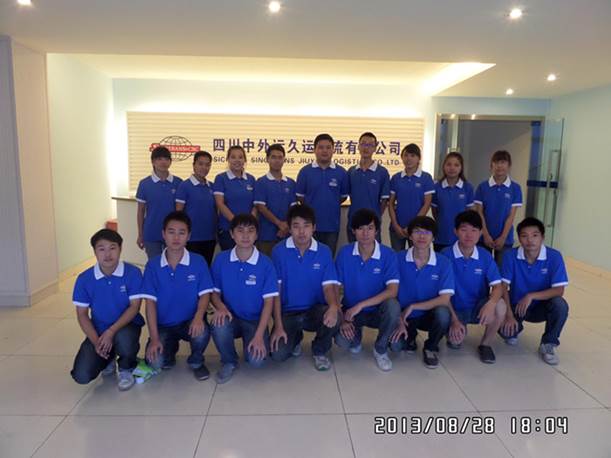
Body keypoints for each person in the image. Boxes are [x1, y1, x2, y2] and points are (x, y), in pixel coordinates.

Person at [142, 211, 214, 381]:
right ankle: (169, 348)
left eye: (182, 233)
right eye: (171, 232)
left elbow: (205, 295)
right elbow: (150, 304)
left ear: (188, 236)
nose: (176, 237)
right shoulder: (153, 265)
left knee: (202, 332)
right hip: (163, 325)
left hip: (189, 321)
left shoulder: (198, 261)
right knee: (156, 363)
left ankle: (196, 361)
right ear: (163, 234)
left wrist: (198, 317)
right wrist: (154, 339)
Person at [71, 229, 144, 391]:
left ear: (120, 249)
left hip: (127, 326)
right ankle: (107, 358)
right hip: (99, 330)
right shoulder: (84, 279)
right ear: (95, 252)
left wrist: (111, 331)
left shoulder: (132, 273)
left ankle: (126, 367)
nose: (107, 254)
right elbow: (82, 315)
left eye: (112, 248)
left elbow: (135, 307)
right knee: (81, 376)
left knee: (125, 339)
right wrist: (96, 341)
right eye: (101, 249)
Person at [270, 204, 341, 371]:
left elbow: (329, 286)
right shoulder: (278, 251)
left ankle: (320, 350)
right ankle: (295, 338)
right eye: (296, 226)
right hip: (288, 313)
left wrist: (333, 306)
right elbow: (276, 292)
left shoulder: (324, 251)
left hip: (314, 311)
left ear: (314, 228)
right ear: (289, 228)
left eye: (306, 226)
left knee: (336, 314)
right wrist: (278, 325)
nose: (301, 232)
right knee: (278, 355)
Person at [209, 214, 279, 384]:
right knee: (218, 324)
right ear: (232, 234)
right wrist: (221, 308)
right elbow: (214, 293)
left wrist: (259, 335)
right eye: (240, 231)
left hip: (255, 320)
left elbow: (269, 303)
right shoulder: (221, 259)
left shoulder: (266, 263)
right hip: (230, 316)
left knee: (256, 362)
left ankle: (254, 341)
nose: (245, 235)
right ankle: (229, 361)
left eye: (250, 231)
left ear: (257, 235)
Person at [334, 209, 401, 371]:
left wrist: (361, 305)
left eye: (370, 228)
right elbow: (334, 288)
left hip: (378, 311)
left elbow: (392, 291)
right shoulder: (344, 253)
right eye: (360, 228)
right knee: (343, 342)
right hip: (351, 312)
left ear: (376, 231)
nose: (365, 233)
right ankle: (356, 336)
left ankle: (380, 349)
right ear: (353, 231)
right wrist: (342, 319)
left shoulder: (388, 254)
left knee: (393, 309)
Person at [499, 217, 569, 365]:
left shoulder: (554, 256)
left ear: (542, 237)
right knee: (506, 333)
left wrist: (531, 296)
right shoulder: (510, 255)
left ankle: (548, 344)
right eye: (524, 236)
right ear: (519, 238)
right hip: (517, 305)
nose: (530, 240)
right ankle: (515, 329)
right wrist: (509, 315)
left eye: (535, 235)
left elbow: (559, 290)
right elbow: (502, 287)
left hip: (542, 306)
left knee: (560, 305)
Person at [441, 211, 506, 364]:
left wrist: (491, 304)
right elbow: (441, 293)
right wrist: (454, 320)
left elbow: (498, 286)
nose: (469, 235)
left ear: (481, 233)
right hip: (454, 309)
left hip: (478, 308)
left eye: (474, 230)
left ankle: (485, 344)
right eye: (464, 229)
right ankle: (457, 327)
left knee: (500, 305)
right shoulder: (445, 255)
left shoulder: (485, 256)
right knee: (455, 342)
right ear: (455, 231)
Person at [391, 216, 454, 369]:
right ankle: (410, 339)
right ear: (410, 235)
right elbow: (390, 292)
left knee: (443, 313)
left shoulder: (443, 262)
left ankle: (431, 347)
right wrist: (398, 318)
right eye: (417, 231)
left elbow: (445, 298)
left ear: (434, 237)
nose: (422, 236)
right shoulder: (397, 259)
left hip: (428, 315)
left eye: (427, 232)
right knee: (395, 347)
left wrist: (414, 306)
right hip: (403, 315)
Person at [296, 133, 348, 256]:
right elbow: (300, 197)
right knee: (309, 258)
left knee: (327, 258)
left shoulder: (341, 172)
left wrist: (330, 203)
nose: (324, 151)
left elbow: (343, 196)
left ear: (333, 150)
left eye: (328, 147)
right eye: (321, 147)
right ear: (314, 150)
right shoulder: (305, 172)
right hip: (309, 226)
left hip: (332, 226)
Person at [474, 150, 523, 264]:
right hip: (483, 237)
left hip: (505, 239)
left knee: (502, 269)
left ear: (509, 165)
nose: (499, 166)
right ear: (491, 165)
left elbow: (511, 216)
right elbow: (479, 213)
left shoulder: (515, 188)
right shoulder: (482, 187)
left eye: (503, 162)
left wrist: (503, 237)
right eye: (496, 162)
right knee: (482, 268)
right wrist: (485, 235)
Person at [136, 146, 182, 259]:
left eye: (166, 159)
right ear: (153, 161)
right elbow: (140, 211)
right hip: (152, 232)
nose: (163, 162)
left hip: (174, 234)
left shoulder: (179, 182)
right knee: (155, 264)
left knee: (173, 263)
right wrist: (140, 234)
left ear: (170, 162)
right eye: (159, 159)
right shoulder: (144, 184)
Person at [388, 143, 435, 251]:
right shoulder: (396, 178)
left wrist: (412, 226)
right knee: (397, 257)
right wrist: (395, 225)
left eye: (412, 155)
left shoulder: (426, 178)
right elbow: (390, 203)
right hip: (397, 228)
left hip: (417, 230)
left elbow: (427, 204)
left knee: (416, 257)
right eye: (406, 155)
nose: (408, 158)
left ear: (419, 158)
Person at [346, 132, 390, 242]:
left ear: (375, 148)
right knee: (354, 251)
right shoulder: (351, 171)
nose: (366, 148)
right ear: (358, 146)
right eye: (363, 144)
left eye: (370, 145)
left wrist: (376, 216)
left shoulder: (382, 172)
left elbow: (384, 200)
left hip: (372, 224)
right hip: (354, 222)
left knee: (374, 252)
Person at [254, 144, 297, 257]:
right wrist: (279, 224)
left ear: (284, 160)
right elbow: (261, 208)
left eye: (280, 157)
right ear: (267, 159)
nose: (277, 160)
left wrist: (286, 226)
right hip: (266, 235)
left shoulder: (291, 183)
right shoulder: (261, 182)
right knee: (267, 264)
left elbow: (293, 208)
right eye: (273, 157)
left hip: (287, 234)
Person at [175, 151, 217, 266]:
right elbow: (178, 213)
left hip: (209, 237)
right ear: (194, 165)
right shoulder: (184, 186)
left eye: (207, 165)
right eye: (200, 164)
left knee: (205, 267)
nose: (204, 167)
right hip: (191, 238)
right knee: (191, 269)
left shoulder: (212, 186)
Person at [213, 145, 257, 251]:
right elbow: (220, 203)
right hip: (228, 230)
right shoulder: (221, 178)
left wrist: (250, 222)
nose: (237, 160)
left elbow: (255, 204)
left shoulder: (251, 179)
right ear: (228, 159)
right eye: (233, 157)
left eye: (240, 157)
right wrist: (236, 223)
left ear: (245, 160)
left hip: (248, 231)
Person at [432, 152, 475, 252]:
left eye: (456, 165)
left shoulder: (467, 188)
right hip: (442, 235)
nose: (452, 168)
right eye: (449, 164)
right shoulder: (437, 187)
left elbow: (469, 212)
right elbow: (435, 212)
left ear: (461, 168)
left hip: (461, 237)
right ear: (444, 167)